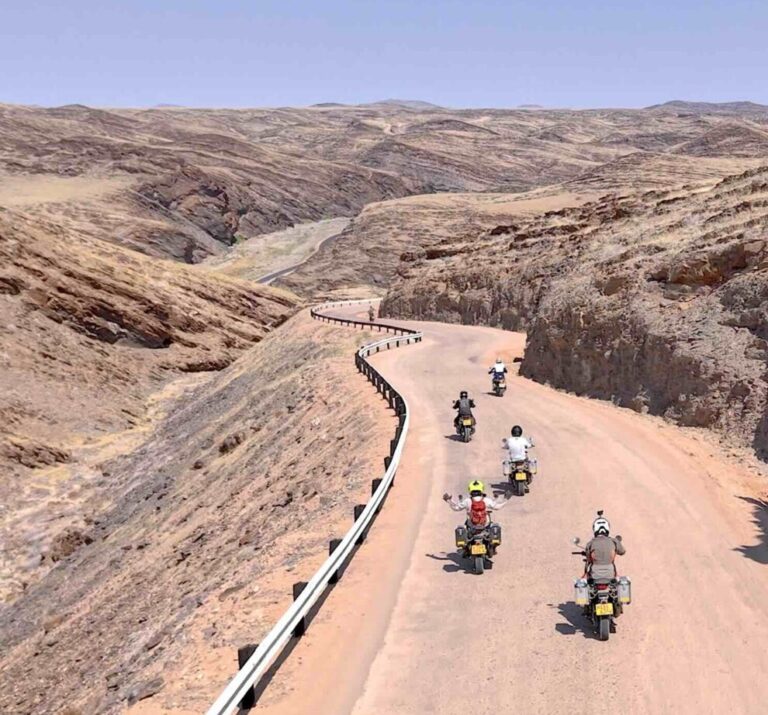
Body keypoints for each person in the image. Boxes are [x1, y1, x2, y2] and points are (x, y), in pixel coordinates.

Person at [442, 479, 508, 530]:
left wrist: (448, 501)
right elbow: (497, 507)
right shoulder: (486, 500)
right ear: (481, 489)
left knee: (465, 527)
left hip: (471, 525)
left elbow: (456, 508)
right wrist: (506, 499)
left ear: (470, 490)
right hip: (485, 525)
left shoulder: (467, 501)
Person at [583, 513, 625, 582]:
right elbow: (622, 551)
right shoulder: (614, 541)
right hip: (610, 574)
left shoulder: (590, 543)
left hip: (595, 575)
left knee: (584, 578)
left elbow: (589, 560)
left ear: (594, 529)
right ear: (607, 528)